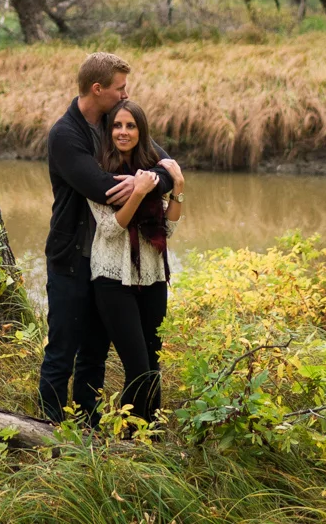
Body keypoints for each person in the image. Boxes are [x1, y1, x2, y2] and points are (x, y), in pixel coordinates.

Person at [39, 52, 184, 426]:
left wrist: (153, 180)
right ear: (97, 88)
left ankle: (87, 423)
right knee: (62, 350)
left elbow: (164, 167)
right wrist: (144, 183)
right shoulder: (66, 135)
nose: (126, 94)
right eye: (120, 88)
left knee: (94, 351)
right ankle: (48, 429)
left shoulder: (111, 122)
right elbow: (103, 189)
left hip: (110, 262)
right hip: (73, 257)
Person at [87, 98, 180, 422]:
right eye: (117, 125)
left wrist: (178, 189)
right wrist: (138, 192)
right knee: (138, 367)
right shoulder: (98, 171)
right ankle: (128, 441)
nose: (123, 132)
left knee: (153, 365)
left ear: (142, 132)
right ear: (108, 130)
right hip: (113, 279)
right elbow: (110, 228)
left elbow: (167, 226)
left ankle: (149, 439)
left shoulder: (154, 170)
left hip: (153, 276)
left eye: (130, 126)